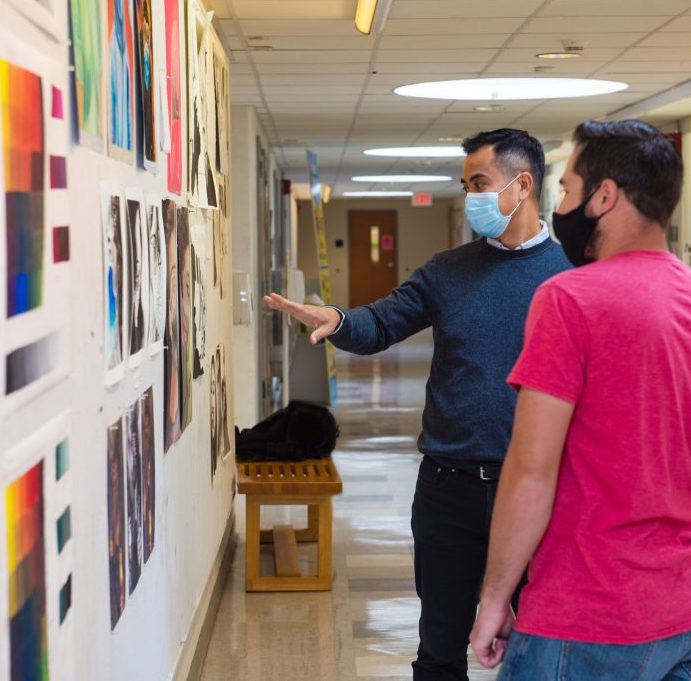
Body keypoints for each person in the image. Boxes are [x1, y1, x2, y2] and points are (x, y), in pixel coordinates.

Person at [265, 128, 571, 680]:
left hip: (535, 492)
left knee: (541, 649)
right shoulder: (448, 271)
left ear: (522, 185)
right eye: (466, 184)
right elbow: (382, 322)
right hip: (447, 487)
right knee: (439, 649)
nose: (472, 195)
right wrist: (336, 319)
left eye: (480, 183)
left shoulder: (571, 279)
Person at [471, 119, 691, 681]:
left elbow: (531, 471)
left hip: (583, 617)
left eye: (567, 190)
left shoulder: (570, 299)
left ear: (605, 196)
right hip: (678, 612)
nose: (562, 205)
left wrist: (495, 598)